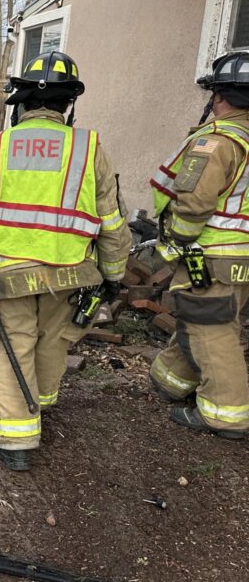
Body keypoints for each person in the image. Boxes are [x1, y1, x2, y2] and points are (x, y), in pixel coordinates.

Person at [0, 51, 130, 470]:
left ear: (21, 104)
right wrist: (113, 276)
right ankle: (39, 404)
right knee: (54, 338)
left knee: (10, 345)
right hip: (72, 271)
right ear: (68, 104)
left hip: (7, 273)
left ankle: (16, 439)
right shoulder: (90, 149)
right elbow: (112, 223)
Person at [148, 51, 249, 440]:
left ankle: (226, 415)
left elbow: (193, 203)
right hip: (240, 257)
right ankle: (170, 382)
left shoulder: (217, 142)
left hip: (211, 254)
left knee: (213, 333)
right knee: (205, 320)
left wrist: (176, 238)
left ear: (220, 97)